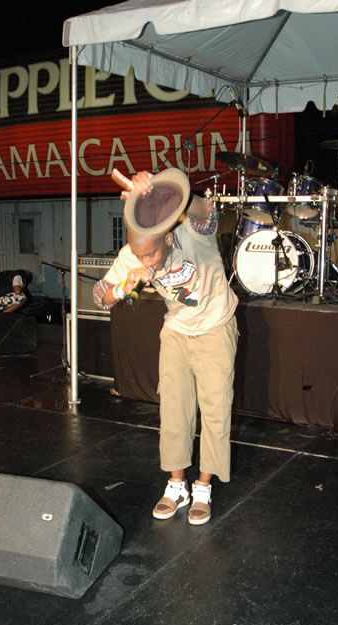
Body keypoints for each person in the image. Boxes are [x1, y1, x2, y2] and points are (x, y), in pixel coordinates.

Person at [93, 169, 239, 525]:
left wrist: (159, 189)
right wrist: (125, 285)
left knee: (216, 409)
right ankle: (177, 485)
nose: (148, 264)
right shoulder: (132, 257)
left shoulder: (190, 231)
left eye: (152, 256)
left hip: (215, 324)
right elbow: (100, 296)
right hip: (176, 329)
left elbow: (208, 212)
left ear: (167, 237)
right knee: (174, 409)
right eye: (140, 257)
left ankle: (202, 486)